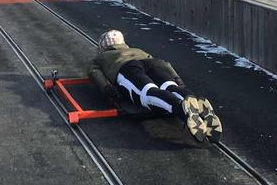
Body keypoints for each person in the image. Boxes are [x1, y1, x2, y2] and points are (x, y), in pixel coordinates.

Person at [87, 29, 222, 142]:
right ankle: (193, 100)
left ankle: (181, 108)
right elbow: (165, 64)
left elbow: (94, 72)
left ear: (103, 46)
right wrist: (177, 80)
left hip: (126, 68)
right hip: (153, 63)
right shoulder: (138, 50)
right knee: (169, 86)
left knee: (148, 92)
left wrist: (106, 87)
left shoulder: (101, 57)